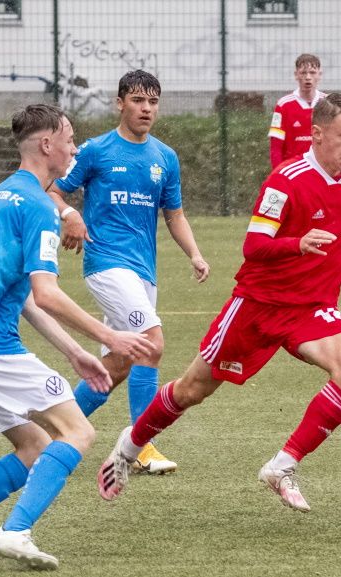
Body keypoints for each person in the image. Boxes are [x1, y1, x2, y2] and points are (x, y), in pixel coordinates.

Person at [96, 93, 341, 512]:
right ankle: (128, 446)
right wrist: (297, 244)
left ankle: (282, 466)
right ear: (317, 135)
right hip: (258, 307)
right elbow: (254, 247)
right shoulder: (285, 181)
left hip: (312, 307)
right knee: (192, 389)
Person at [0, 104, 156, 568]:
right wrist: (111, 336)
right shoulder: (41, 207)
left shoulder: (0, 196)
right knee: (78, 431)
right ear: (47, 145)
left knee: (34, 447)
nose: (75, 147)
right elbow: (46, 294)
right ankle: (15, 531)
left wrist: (77, 352)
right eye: (69, 138)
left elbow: (23, 295)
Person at [47, 70, 210, 475]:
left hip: (143, 272)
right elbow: (49, 188)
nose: (146, 109)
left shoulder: (164, 158)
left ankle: (57, 428)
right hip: (106, 265)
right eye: (138, 101)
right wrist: (70, 215)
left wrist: (194, 253)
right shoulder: (96, 150)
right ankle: (141, 444)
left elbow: (174, 215)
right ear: (120, 103)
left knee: (118, 365)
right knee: (151, 342)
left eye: (153, 102)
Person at [268, 53, 327, 169]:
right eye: (303, 73)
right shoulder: (283, 105)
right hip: (293, 172)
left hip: (323, 172)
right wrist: (278, 174)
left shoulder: (328, 103)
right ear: (296, 75)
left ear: (319, 75)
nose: (308, 77)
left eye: (312, 73)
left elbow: (337, 140)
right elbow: (276, 147)